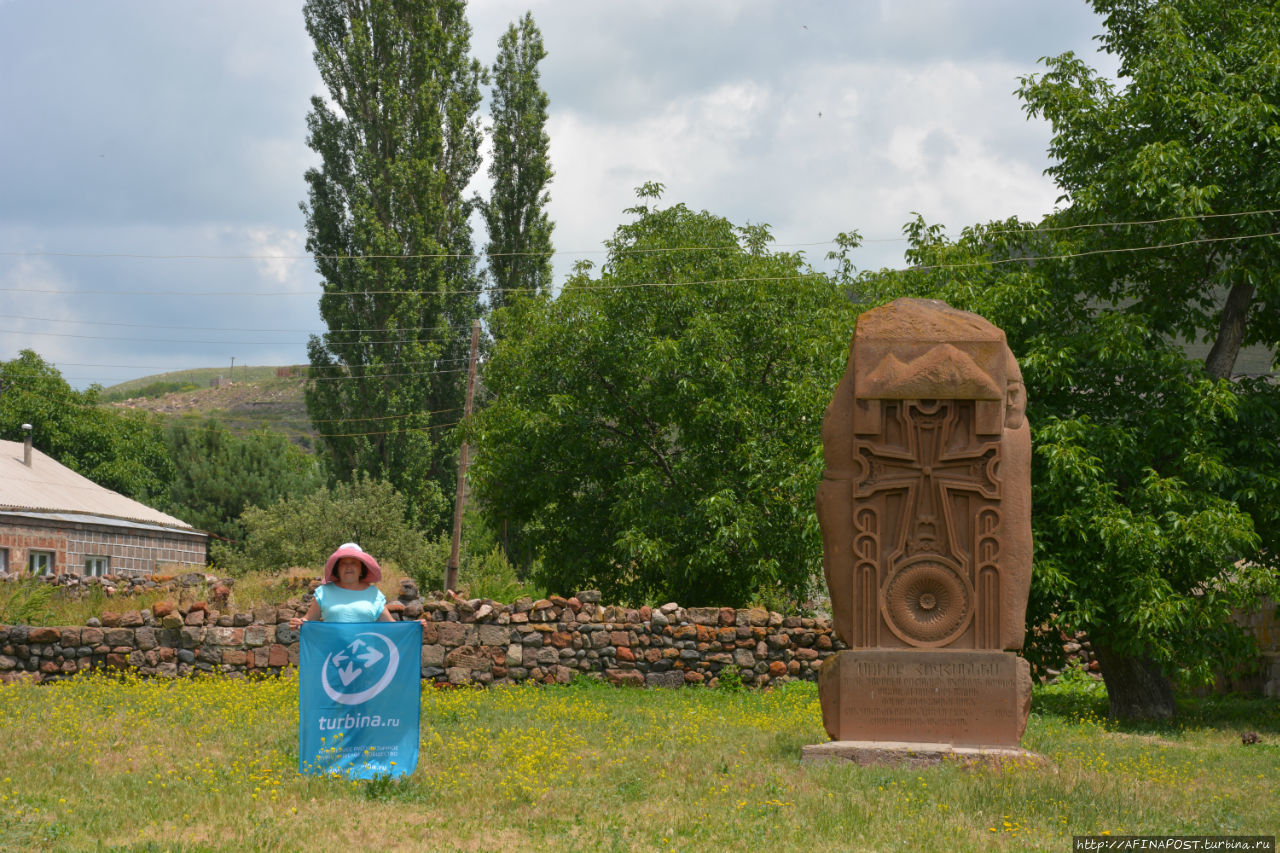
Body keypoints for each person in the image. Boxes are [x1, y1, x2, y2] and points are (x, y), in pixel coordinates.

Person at [289, 543, 393, 627]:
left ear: (361, 569)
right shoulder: (324, 592)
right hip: (332, 653)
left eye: (353, 563)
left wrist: (408, 630)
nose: (348, 567)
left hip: (366, 653)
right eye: (343, 563)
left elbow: (391, 625)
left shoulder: (374, 593)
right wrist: (298, 622)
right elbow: (308, 620)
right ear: (337, 569)